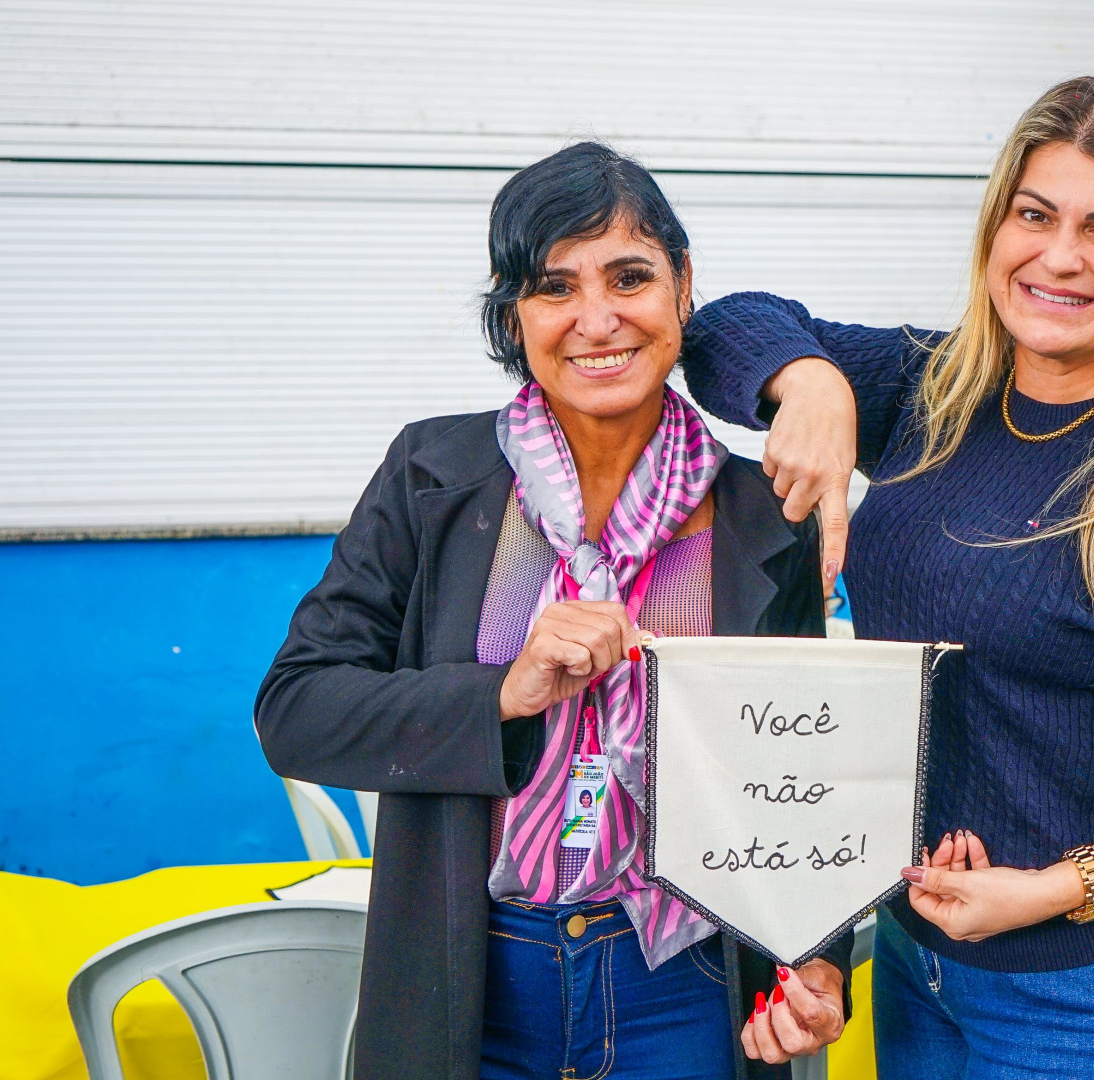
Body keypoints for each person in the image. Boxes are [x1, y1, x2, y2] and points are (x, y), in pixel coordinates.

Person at [678, 76, 1094, 1078]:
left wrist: (1054, 887)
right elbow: (723, 327)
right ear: (997, 231)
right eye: (1036, 215)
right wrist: (808, 382)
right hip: (914, 959)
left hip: (1079, 989)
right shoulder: (930, 393)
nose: (1061, 256)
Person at [255, 142, 850, 1080]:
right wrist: (503, 692)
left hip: (683, 988)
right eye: (553, 286)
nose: (596, 319)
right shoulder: (432, 478)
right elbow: (296, 714)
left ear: (683, 288)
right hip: (471, 982)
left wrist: (815, 961)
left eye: (630, 276)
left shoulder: (762, 514)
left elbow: (807, 774)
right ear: (515, 312)